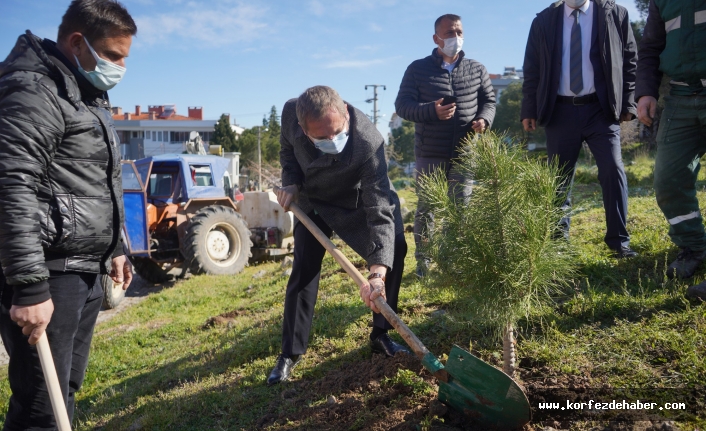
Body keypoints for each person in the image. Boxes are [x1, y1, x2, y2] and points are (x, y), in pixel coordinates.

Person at [0, 0, 136, 428]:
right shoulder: (32, 89)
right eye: (112, 55)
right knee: (41, 405)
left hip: (83, 269)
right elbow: (12, 184)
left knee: (66, 389)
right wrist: (29, 286)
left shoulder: (86, 93)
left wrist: (115, 246)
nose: (119, 67)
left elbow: (98, 179)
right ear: (77, 42)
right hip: (51, 272)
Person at [269, 85, 409, 385]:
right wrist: (291, 183)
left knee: (394, 245)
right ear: (304, 130)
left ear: (345, 112)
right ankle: (290, 353)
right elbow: (287, 155)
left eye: (337, 132)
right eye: (321, 138)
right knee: (304, 270)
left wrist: (376, 275)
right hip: (312, 202)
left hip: (355, 200)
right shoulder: (289, 115)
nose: (333, 141)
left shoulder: (368, 141)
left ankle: (381, 333)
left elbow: (379, 208)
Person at [521, 0, 638, 258]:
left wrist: (628, 101)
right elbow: (532, 68)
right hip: (559, 111)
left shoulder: (615, 14)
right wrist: (528, 109)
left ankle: (619, 242)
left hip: (601, 109)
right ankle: (558, 245)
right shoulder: (543, 20)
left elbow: (630, 59)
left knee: (612, 169)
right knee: (559, 180)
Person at [394, 13, 496, 277]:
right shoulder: (417, 69)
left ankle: (452, 262)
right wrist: (431, 111)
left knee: (459, 209)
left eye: (459, 32)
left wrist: (484, 120)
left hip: (465, 151)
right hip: (430, 151)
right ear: (436, 38)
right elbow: (402, 106)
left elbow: (489, 101)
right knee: (427, 208)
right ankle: (424, 264)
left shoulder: (477, 69)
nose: (456, 38)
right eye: (450, 33)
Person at [636, 0, 706, 300]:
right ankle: (694, 246)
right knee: (668, 180)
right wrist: (646, 92)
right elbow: (651, 48)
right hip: (679, 96)